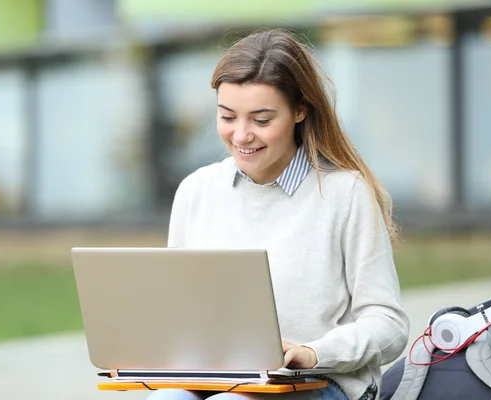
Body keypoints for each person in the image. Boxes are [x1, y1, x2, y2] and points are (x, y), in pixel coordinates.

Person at [149, 29, 410, 400]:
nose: (241, 135)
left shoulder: (345, 193)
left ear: (300, 111)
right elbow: (178, 310)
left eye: (261, 120)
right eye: (227, 116)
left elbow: (389, 325)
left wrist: (314, 353)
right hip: (219, 380)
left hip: (320, 383)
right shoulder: (196, 190)